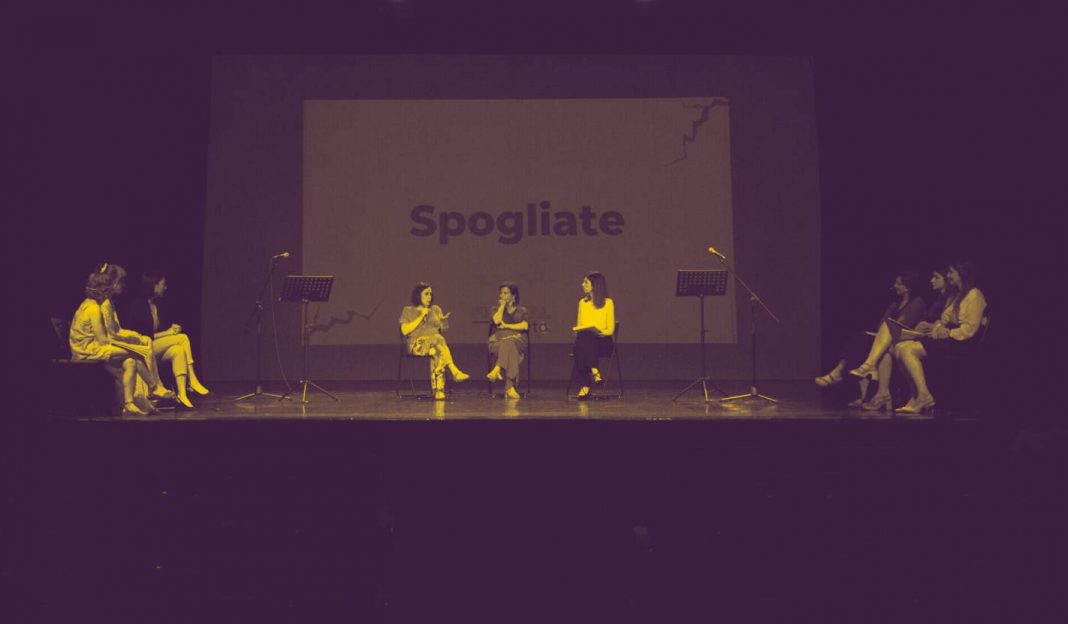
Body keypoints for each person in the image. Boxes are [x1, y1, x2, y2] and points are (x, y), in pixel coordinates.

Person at [815, 271, 927, 408]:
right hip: (888, 338)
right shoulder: (896, 303)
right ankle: (863, 387)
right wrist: (885, 329)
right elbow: (883, 323)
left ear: (907, 287)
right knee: (860, 340)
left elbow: (900, 325)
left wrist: (886, 330)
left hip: (904, 337)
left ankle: (855, 373)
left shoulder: (918, 302)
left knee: (866, 343)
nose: (894, 286)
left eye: (898, 283)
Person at [892, 261, 987, 414]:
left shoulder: (974, 295)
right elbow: (942, 320)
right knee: (899, 347)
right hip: (950, 338)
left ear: (962, 274)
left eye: (951, 272)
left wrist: (948, 332)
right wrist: (939, 328)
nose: (948, 276)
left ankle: (924, 396)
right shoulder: (956, 295)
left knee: (908, 350)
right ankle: (916, 396)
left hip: (962, 342)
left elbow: (970, 330)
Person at [68, 265, 158, 416]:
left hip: (94, 347)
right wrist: (126, 346)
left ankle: (128, 404)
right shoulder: (93, 309)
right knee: (136, 352)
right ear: (105, 290)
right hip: (87, 351)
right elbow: (103, 340)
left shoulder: (91, 304)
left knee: (130, 362)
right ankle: (153, 387)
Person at [119, 270, 210, 409]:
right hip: (142, 350)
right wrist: (168, 333)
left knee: (178, 350)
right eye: (163, 284)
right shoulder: (137, 305)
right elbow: (142, 337)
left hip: (153, 348)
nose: (165, 287)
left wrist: (170, 331)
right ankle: (192, 379)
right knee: (183, 338)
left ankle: (182, 394)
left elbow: (156, 333)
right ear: (154, 285)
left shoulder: (156, 305)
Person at [101, 264, 175, 409]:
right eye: (121, 282)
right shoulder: (104, 304)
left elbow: (117, 330)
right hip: (104, 345)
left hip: (111, 340)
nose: (123, 285)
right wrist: (135, 338)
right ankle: (154, 388)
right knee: (142, 351)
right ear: (114, 283)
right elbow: (110, 335)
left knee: (144, 342)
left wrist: (135, 336)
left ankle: (151, 390)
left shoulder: (110, 302)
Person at [399, 282, 469, 400]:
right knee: (438, 339)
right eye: (426, 294)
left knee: (437, 351)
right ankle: (453, 370)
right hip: (417, 345)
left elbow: (443, 329)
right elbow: (405, 331)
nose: (429, 297)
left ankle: (438, 391)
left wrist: (444, 322)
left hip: (434, 344)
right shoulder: (408, 310)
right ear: (418, 295)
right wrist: (421, 316)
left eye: (431, 294)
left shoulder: (435, 309)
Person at [570, 272, 615, 399]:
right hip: (585, 343)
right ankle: (594, 370)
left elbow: (610, 329)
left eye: (586, 282)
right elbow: (579, 325)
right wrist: (580, 330)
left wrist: (598, 332)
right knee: (584, 337)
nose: (582, 285)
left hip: (603, 342)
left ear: (595, 285)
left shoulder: (608, 303)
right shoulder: (582, 302)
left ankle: (585, 386)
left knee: (583, 344)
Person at [486, 281, 529, 399]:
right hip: (498, 342)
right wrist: (501, 307)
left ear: (513, 295)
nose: (502, 296)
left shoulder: (522, 310)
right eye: (501, 293)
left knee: (510, 342)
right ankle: (510, 387)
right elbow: (496, 321)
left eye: (505, 293)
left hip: (518, 342)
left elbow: (525, 326)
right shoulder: (495, 309)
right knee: (511, 349)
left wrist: (506, 326)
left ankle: (497, 368)